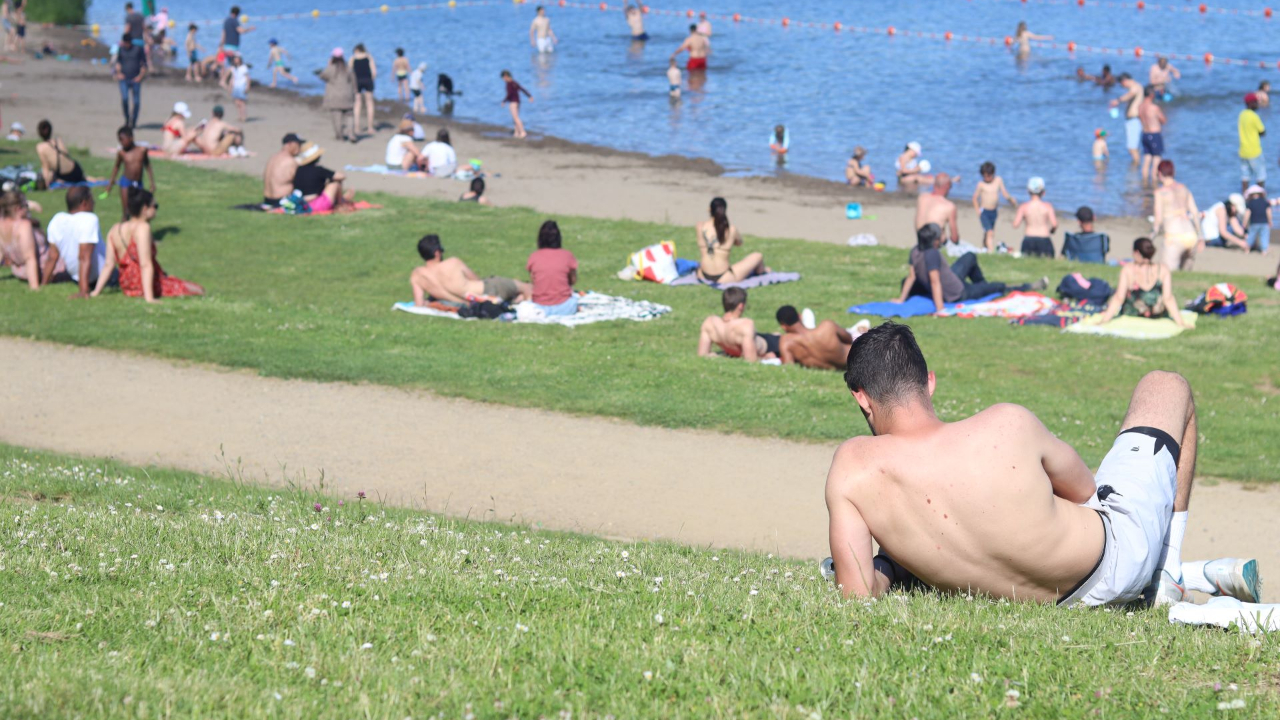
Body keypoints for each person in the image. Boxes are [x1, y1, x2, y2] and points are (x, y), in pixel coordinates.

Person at [826, 322, 1258, 609]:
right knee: (1165, 385)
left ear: (861, 397)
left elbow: (857, 593)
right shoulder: (1005, 423)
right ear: (929, 381)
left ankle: (1183, 574)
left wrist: (893, 564)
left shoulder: (852, 469)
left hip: (1056, 601)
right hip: (1117, 561)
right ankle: (1167, 575)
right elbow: (1087, 492)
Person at [895, 223, 1047, 313]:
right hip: (959, 292)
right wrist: (940, 308)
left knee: (969, 256)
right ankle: (1027, 287)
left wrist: (901, 299)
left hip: (952, 279)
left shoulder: (915, 250)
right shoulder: (932, 254)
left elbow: (911, 277)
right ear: (935, 241)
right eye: (941, 235)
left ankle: (982, 286)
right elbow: (935, 282)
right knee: (997, 287)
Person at [92, 189, 203, 302]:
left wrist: (96, 291)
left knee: (174, 279)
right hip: (143, 284)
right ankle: (149, 293)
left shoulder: (115, 229)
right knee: (197, 289)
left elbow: (109, 264)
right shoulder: (143, 228)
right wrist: (149, 298)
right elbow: (145, 264)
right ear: (145, 209)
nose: (156, 210)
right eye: (155, 206)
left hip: (126, 284)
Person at [411, 234, 530, 306]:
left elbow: (419, 304)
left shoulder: (417, 275)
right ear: (437, 253)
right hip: (489, 289)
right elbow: (476, 279)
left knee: (516, 295)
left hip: (475, 302)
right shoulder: (453, 262)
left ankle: (517, 300)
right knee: (527, 287)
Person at [1097, 238, 1190, 328]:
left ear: (1137, 253)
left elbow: (1119, 298)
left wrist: (1104, 320)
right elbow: (1168, 298)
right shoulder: (1163, 269)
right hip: (1156, 316)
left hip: (1132, 316)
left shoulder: (1128, 269)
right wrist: (1180, 322)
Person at [44, 186, 108, 298]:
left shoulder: (57, 220)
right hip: (100, 278)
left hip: (75, 278)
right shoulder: (89, 219)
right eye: (91, 199)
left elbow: (52, 257)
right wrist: (83, 290)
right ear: (84, 203)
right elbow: (84, 257)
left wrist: (43, 284)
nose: (94, 202)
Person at [697, 288, 779, 362]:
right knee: (782, 340)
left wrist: (718, 355)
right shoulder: (745, 325)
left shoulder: (709, 323)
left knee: (775, 334)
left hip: (760, 338)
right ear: (741, 306)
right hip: (770, 346)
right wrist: (766, 357)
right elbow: (751, 360)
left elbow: (702, 355)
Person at [696, 197, 767, 283]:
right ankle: (762, 272)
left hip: (702, 274)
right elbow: (739, 243)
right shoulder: (731, 229)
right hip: (724, 277)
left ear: (709, 209)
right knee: (758, 256)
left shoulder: (700, 226)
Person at [1152, 159, 1203, 271]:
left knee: (1167, 273)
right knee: (1185, 275)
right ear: (1173, 172)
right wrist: (1200, 236)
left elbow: (1158, 220)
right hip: (1191, 236)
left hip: (1174, 237)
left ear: (1159, 173)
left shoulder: (1160, 193)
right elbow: (1195, 213)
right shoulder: (1183, 188)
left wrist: (1152, 236)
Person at [0, 190, 54, 290]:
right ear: (18, 208)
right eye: (26, 206)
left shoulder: (1, 224)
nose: (28, 209)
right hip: (46, 271)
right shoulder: (23, 225)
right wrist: (34, 286)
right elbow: (29, 258)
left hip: (19, 272)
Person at [526, 220, 579, 316]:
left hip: (539, 307)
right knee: (574, 300)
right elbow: (573, 280)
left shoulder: (534, 257)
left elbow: (534, 281)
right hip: (565, 307)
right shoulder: (567, 255)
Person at [775, 306, 853, 371]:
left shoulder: (786, 343)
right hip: (854, 361)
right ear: (800, 316)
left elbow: (788, 367)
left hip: (833, 368)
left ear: (783, 326)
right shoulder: (827, 326)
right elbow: (849, 339)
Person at [105, 126, 154, 221]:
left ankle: (138, 229)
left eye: (122, 140)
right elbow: (116, 167)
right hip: (126, 183)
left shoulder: (142, 151)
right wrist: (110, 184)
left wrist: (152, 183)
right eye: (119, 140)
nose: (121, 143)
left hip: (138, 183)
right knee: (126, 212)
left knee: (139, 211)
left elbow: (147, 165)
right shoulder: (122, 153)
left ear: (131, 138)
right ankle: (123, 229)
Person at [293, 141, 351, 213]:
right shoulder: (318, 170)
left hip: (301, 204)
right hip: (318, 205)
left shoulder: (299, 170)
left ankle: (341, 201)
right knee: (335, 182)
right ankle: (341, 204)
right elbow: (341, 176)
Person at [971, 162, 1016, 252]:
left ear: (993, 173)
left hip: (994, 211)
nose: (987, 178)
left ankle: (984, 248)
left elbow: (1004, 193)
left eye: (989, 176)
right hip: (984, 212)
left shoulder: (998, 180)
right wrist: (978, 211)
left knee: (989, 232)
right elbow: (975, 198)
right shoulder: (981, 184)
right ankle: (990, 251)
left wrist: (1010, 199)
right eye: (985, 176)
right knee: (989, 232)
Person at [1013, 176, 1057, 258]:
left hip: (1029, 238)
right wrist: (1052, 231)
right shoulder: (1047, 206)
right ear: (1043, 192)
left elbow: (1015, 224)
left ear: (1028, 191)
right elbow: (1054, 224)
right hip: (1044, 238)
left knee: (1027, 260)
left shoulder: (1024, 206)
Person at [35, 120, 88, 186]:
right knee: (83, 179)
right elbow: (67, 154)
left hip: (64, 176)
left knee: (52, 175)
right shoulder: (58, 140)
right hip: (76, 169)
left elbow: (45, 168)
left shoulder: (40, 147)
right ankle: (94, 179)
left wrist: (47, 184)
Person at [319, 49, 356, 142]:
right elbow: (354, 81)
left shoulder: (330, 68)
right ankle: (351, 134)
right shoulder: (347, 68)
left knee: (337, 117)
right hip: (347, 95)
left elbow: (322, 76)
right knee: (350, 115)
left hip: (334, 97)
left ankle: (340, 136)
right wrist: (355, 93)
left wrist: (329, 65)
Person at [114, 31, 148, 129]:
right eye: (125, 43)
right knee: (125, 99)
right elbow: (118, 62)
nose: (126, 44)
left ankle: (134, 121)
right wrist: (119, 73)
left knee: (136, 102)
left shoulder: (138, 49)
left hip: (135, 79)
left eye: (127, 43)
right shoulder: (121, 49)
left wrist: (140, 77)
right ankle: (127, 119)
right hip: (124, 79)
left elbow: (144, 64)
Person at [915, 173, 959, 245]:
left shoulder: (922, 198)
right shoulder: (949, 206)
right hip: (937, 244)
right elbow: (955, 238)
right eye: (951, 186)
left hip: (921, 240)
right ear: (947, 186)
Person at [1110, 73, 1144, 164]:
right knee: (1134, 148)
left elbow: (1131, 94)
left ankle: (1135, 168)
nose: (1122, 87)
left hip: (1134, 120)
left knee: (1132, 149)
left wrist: (1118, 100)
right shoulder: (1135, 88)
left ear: (1124, 81)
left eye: (1121, 84)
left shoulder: (1135, 87)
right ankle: (1136, 166)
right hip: (1132, 120)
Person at [263, 133, 303, 206]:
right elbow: (301, 182)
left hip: (267, 200)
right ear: (290, 144)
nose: (300, 148)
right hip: (282, 201)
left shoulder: (273, 157)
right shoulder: (290, 161)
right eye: (298, 145)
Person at [1138, 86, 1166, 184]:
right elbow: (1163, 120)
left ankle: (1144, 183)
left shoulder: (1140, 107)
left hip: (1145, 134)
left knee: (1146, 159)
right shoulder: (1154, 107)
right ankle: (1154, 183)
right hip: (1154, 134)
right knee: (1156, 160)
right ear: (1151, 95)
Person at [1238, 93, 1266, 193]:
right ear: (1251, 103)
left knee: (1245, 176)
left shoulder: (1242, 115)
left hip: (1243, 151)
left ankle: (1245, 196)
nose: (1258, 104)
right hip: (1254, 151)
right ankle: (1260, 196)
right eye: (1256, 102)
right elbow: (1262, 131)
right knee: (1260, 175)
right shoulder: (1254, 116)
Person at [350, 43, 376, 137]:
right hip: (368, 80)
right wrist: (371, 81)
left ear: (356, 50)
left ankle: (356, 127)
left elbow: (349, 71)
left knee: (357, 103)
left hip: (357, 81)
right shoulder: (369, 57)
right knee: (369, 103)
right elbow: (374, 72)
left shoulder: (353, 58)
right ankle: (370, 128)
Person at [501, 70, 532, 139]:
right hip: (518, 102)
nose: (503, 80)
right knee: (515, 117)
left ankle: (523, 132)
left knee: (516, 118)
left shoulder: (509, 84)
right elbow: (522, 89)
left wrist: (504, 101)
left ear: (505, 76)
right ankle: (516, 133)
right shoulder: (514, 83)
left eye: (503, 78)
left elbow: (509, 94)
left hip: (513, 102)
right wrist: (529, 96)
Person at [1244, 184, 1272, 254]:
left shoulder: (1250, 203)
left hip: (1254, 223)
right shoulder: (1265, 202)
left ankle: (1247, 249)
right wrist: (1270, 221)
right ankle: (1264, 250)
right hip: (1264, 223)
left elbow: (1247, 214)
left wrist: (1244, 223)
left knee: (1251, 236)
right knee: (1264, 236)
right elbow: (1268, 212)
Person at [222, 54, 251, 123]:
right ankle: (240, 116)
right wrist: (230, 87)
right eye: (235, 59)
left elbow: (247, 78)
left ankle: (244, 116)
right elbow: (232, 78)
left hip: (242, 86)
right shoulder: (233, 68)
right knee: (237, 102)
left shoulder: (244, 67)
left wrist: (248, 86)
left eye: (237, 59)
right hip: (235, 86)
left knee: (242, 102)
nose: (236, 60)